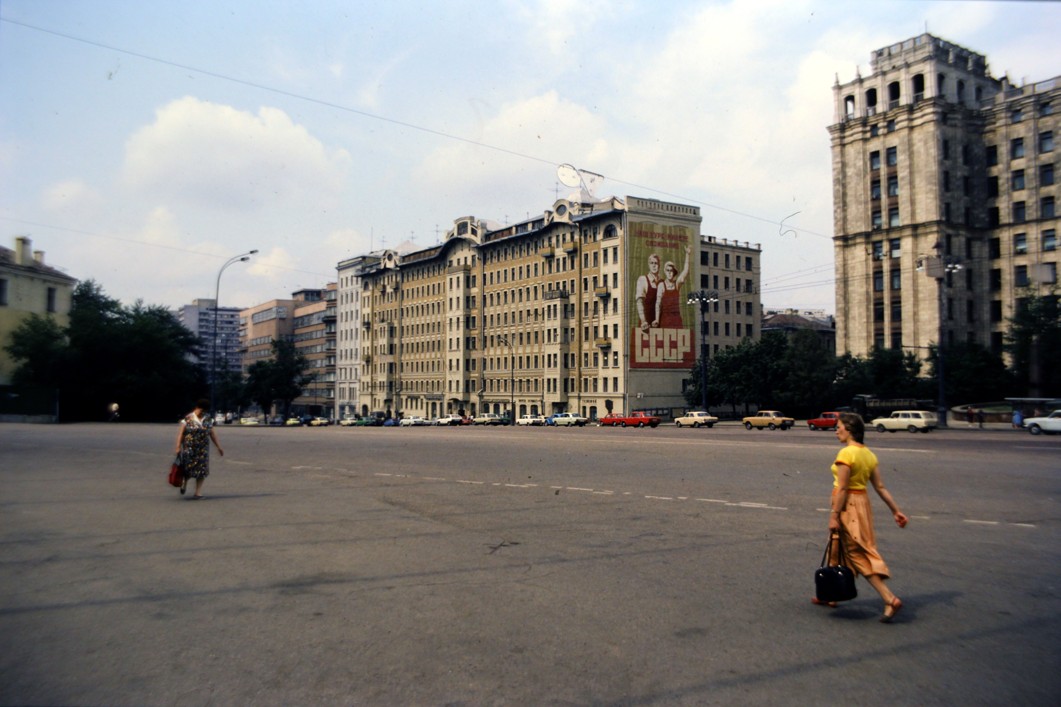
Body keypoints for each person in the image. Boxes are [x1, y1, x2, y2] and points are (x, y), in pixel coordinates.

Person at [814, 411, 908, 622]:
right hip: (863, 504)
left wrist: (834, 515)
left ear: (849, 430)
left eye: (839, 427)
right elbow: (880, 487)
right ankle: (830, 594)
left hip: (848, 505)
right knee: (837, 545)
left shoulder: (846, 454)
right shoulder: (869, 454)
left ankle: (889, 598)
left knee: (856, 553)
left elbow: (843, 488)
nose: (836, 430)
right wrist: (896, 510)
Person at [174, 398, 224, 499]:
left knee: (202, 470)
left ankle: (197, 492)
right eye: (200, 410)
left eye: (204, 411)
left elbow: (212, 434)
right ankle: (185, 482)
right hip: (190, 448)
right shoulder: (188, 418)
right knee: (189, 468)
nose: (202, 413)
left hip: (203, 449)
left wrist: (219, 447)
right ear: (196, 408)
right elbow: (181, 433)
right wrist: (178, 446)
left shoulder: (208, 419)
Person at [654, 245, 691, 328]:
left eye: (671, 271)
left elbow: (685, 272)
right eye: (668, 270)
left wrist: (687, 255)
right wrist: (657, 319)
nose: (670, 272)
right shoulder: (661, 285)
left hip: (676, 320)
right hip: (665, 320)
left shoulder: (676, 284)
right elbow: (658, 303)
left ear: (674, 272)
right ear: (665, 271)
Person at [635, 253, 662, 331]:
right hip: (646, 326)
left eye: (656, 263)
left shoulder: (662, 282)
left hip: (659, 325)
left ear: (659, 265)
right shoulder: (643, 280)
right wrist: (643, 321)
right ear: (649, 265)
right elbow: (639, 302)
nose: (654, 265)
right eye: (652, 263)